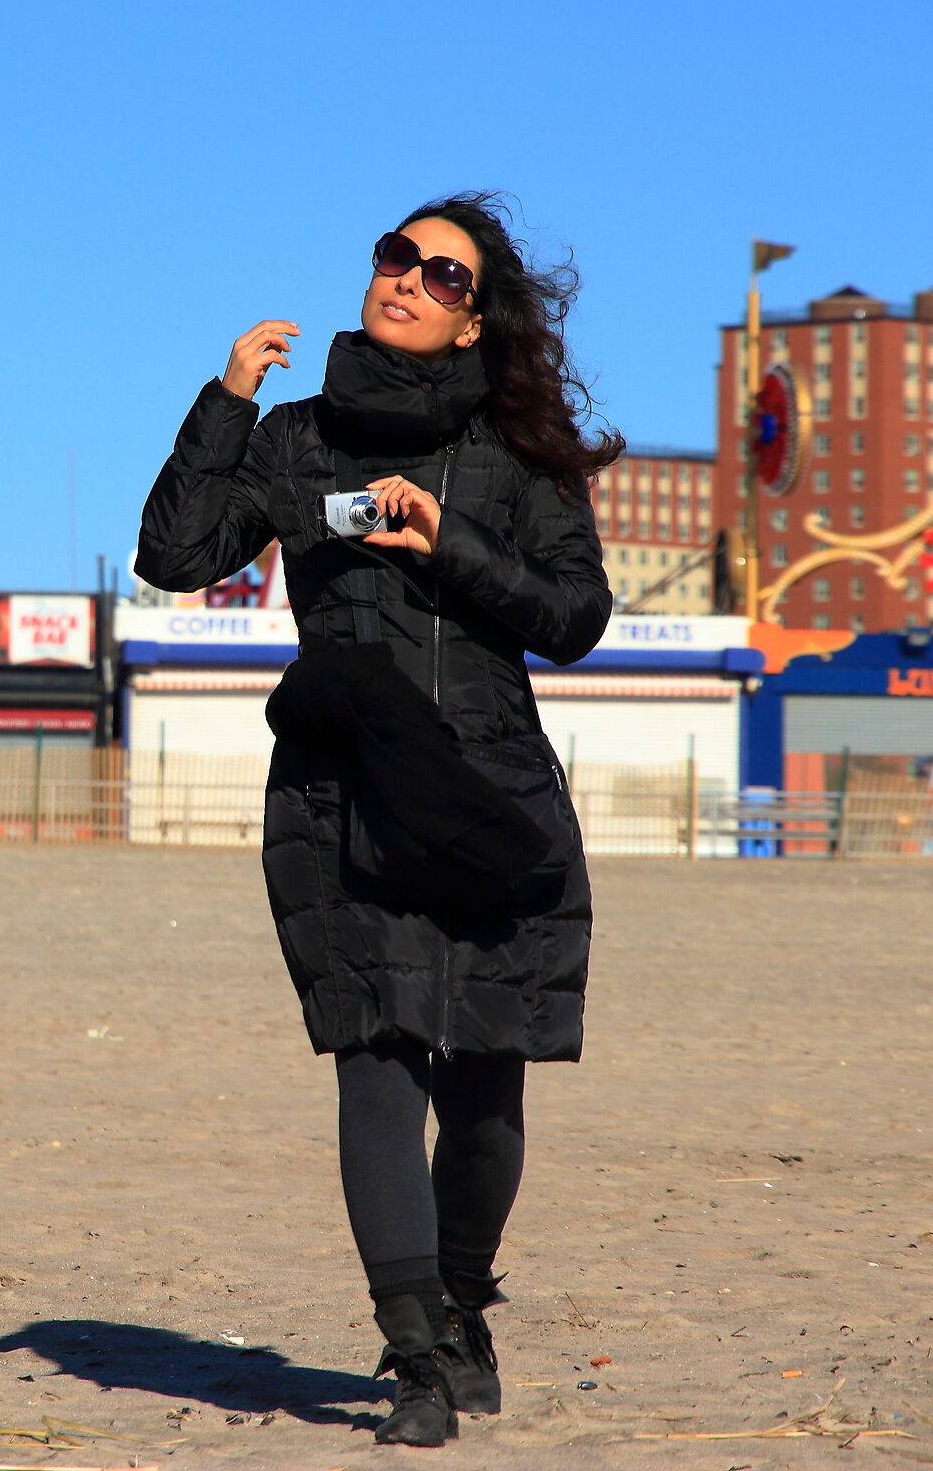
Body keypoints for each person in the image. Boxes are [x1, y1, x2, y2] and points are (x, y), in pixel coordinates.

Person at [135, 192, 619, 1447]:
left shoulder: (517, 457)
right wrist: (226, 399)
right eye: (394, 257)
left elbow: (573, 618)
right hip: (342, 789)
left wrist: (449, 540)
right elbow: (177, 556)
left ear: (474, 323)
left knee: (488, 1084)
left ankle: (461, 1303)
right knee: (377, 1058)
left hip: (492, 788)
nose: (405, 279)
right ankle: (413, 1356)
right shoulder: (296, 440)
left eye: (441, 276)